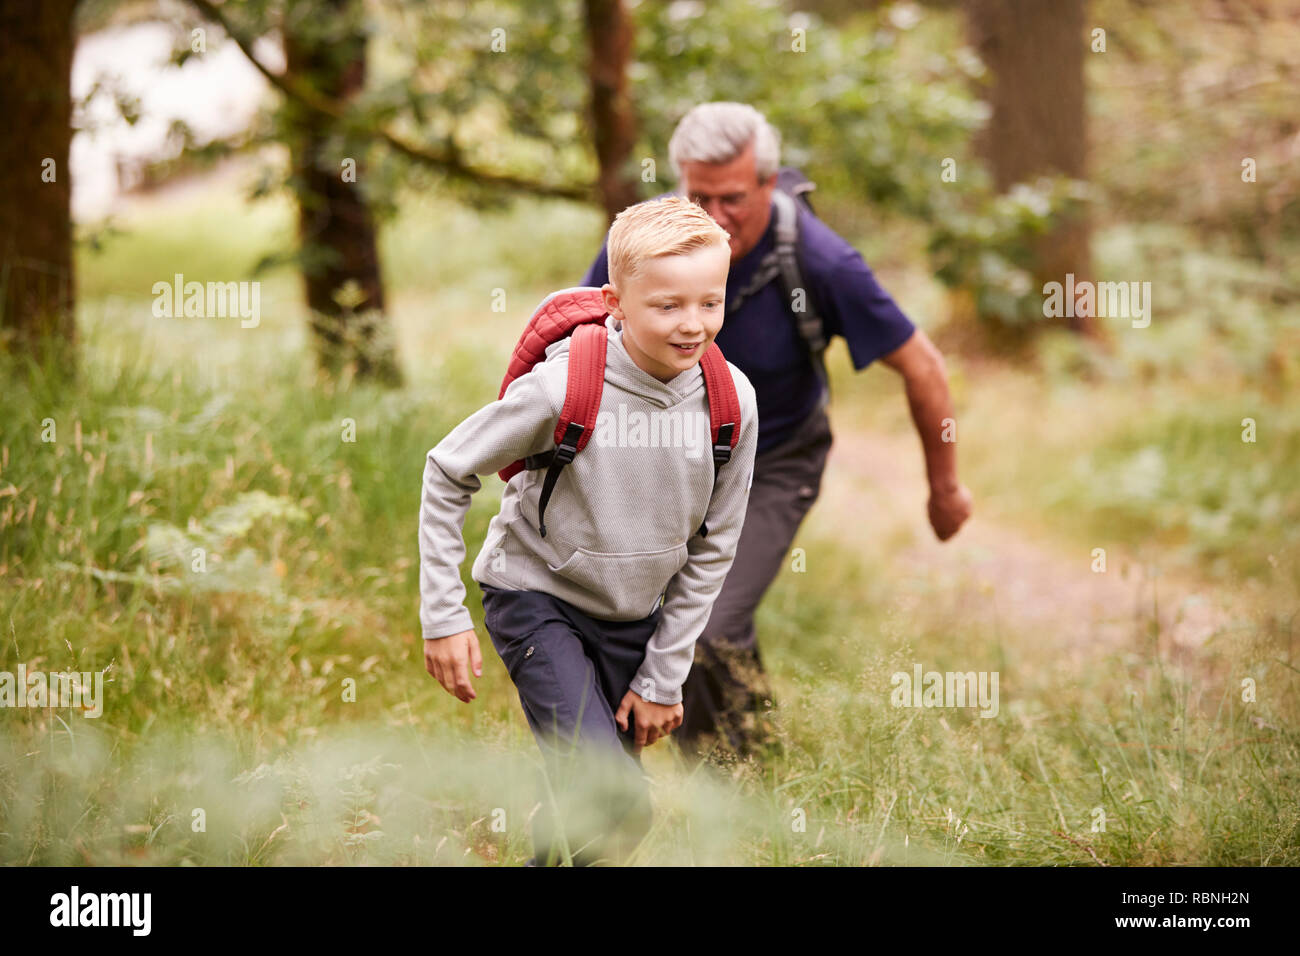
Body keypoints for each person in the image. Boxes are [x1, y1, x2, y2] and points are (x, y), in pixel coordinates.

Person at [579, 102, 973, 764]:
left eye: (731, 198)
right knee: (652, 612)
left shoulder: (820, 261)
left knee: (705, 621)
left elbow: (923, 366)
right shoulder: (647, 241)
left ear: (770, 182)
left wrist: (944, 488)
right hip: (672, 460)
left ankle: (728, 790)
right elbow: (580, 333)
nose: (712, 215)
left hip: (776, 460)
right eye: (697, 195)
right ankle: (754, 754)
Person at [419, 195, 759, 865]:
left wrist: (664, 676)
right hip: (537, 599)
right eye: (668, 305)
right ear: (615, 301)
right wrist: (442, 615)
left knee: (611, 824)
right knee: (617, 799)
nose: (693, 325)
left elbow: (714, 548)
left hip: (635, 614)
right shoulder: (563, 389)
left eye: (710, 302)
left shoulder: (732, 403)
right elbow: (447, 469)